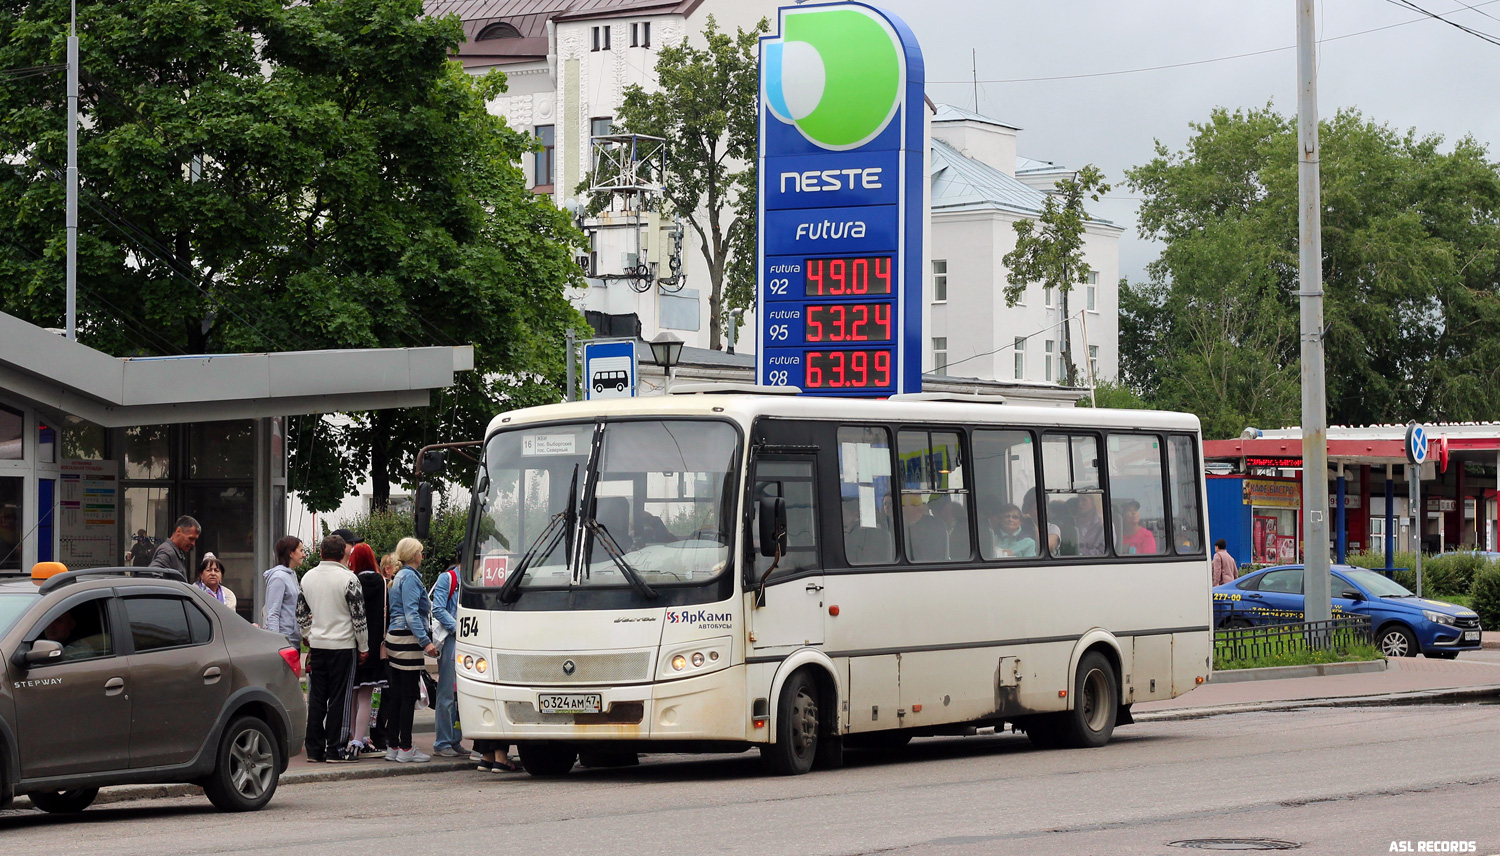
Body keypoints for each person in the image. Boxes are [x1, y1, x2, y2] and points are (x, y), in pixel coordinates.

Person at [296, 534, 369, 764]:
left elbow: (300, 613)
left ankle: (314, 749)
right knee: (340, 698)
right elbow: (359, 617)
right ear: (343, 553)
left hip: (318, 646)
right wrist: (364, 646)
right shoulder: (349, 579)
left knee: (317, 697)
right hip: (343, 645)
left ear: (320, 553)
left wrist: (308, 634)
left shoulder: (307, 577)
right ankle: (335, 748)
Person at [384, 537, 438, 763]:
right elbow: (412, 614)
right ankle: (405, 747)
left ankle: (393, 745)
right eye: (420, 552)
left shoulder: (399, 577)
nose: (422, 556)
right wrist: (426, 641)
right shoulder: (411, 578)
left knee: (397, 694)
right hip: (407, 638)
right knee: (408, 695)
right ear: (414, 555)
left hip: (395, 637)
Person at [346, 542, 388, 756]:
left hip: (354, 642)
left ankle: (354, 738)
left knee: (353, 696)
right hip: (374, 645)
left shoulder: (352, 581)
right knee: (366, 697)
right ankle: (359, 740)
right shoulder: (381, 582)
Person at [429, 545, 468, 758]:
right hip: (453, 641)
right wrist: (458, 628)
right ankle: (442, 742)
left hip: (468, 641)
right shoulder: (448, 578)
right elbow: (438, 608)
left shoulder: (475, 579)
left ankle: (455, 739)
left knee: (461, 694)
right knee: (446, 694)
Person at [264, 536, 305, 648]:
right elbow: (272, 612)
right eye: (301, 550)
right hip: (284, 643)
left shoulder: (292, 574)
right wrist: (276, 643)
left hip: (294, 641)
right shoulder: (278, 577)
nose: (304, 554)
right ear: (290, 553)